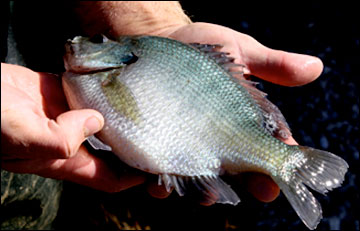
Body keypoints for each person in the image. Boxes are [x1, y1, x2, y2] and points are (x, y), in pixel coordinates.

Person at [1, 0, 323, 222]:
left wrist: (146, 17)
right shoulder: (105, 74)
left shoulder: (121, 63)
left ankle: (279, 159)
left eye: (97, 41)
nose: (78, 42)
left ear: (122, 55)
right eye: (96, 41)